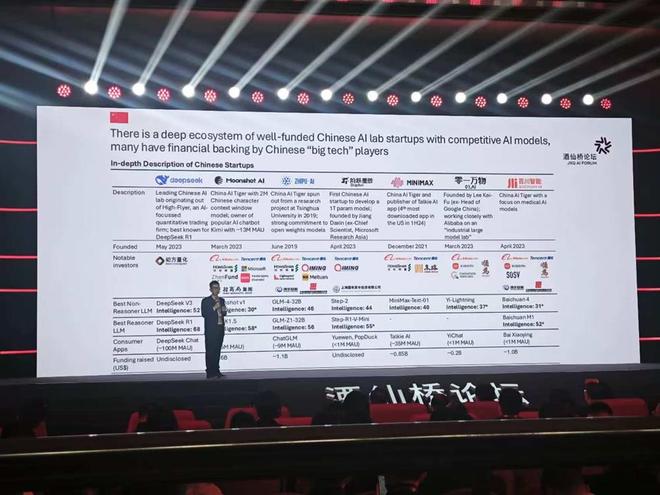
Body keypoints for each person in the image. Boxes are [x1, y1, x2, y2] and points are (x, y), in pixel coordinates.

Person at [201, 280, 228, 378]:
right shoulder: (206, 301)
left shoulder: (222, 300)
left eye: (218, 288)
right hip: (211, 330)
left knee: (217, 350)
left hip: (220, 328)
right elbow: (204, 314)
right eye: (215, 288)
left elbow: (224, 313)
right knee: (210, 351)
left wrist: (224, 310)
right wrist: (214, 307)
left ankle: (217, 370)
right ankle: (210, 372)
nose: (217, 289)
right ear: (211, 289)